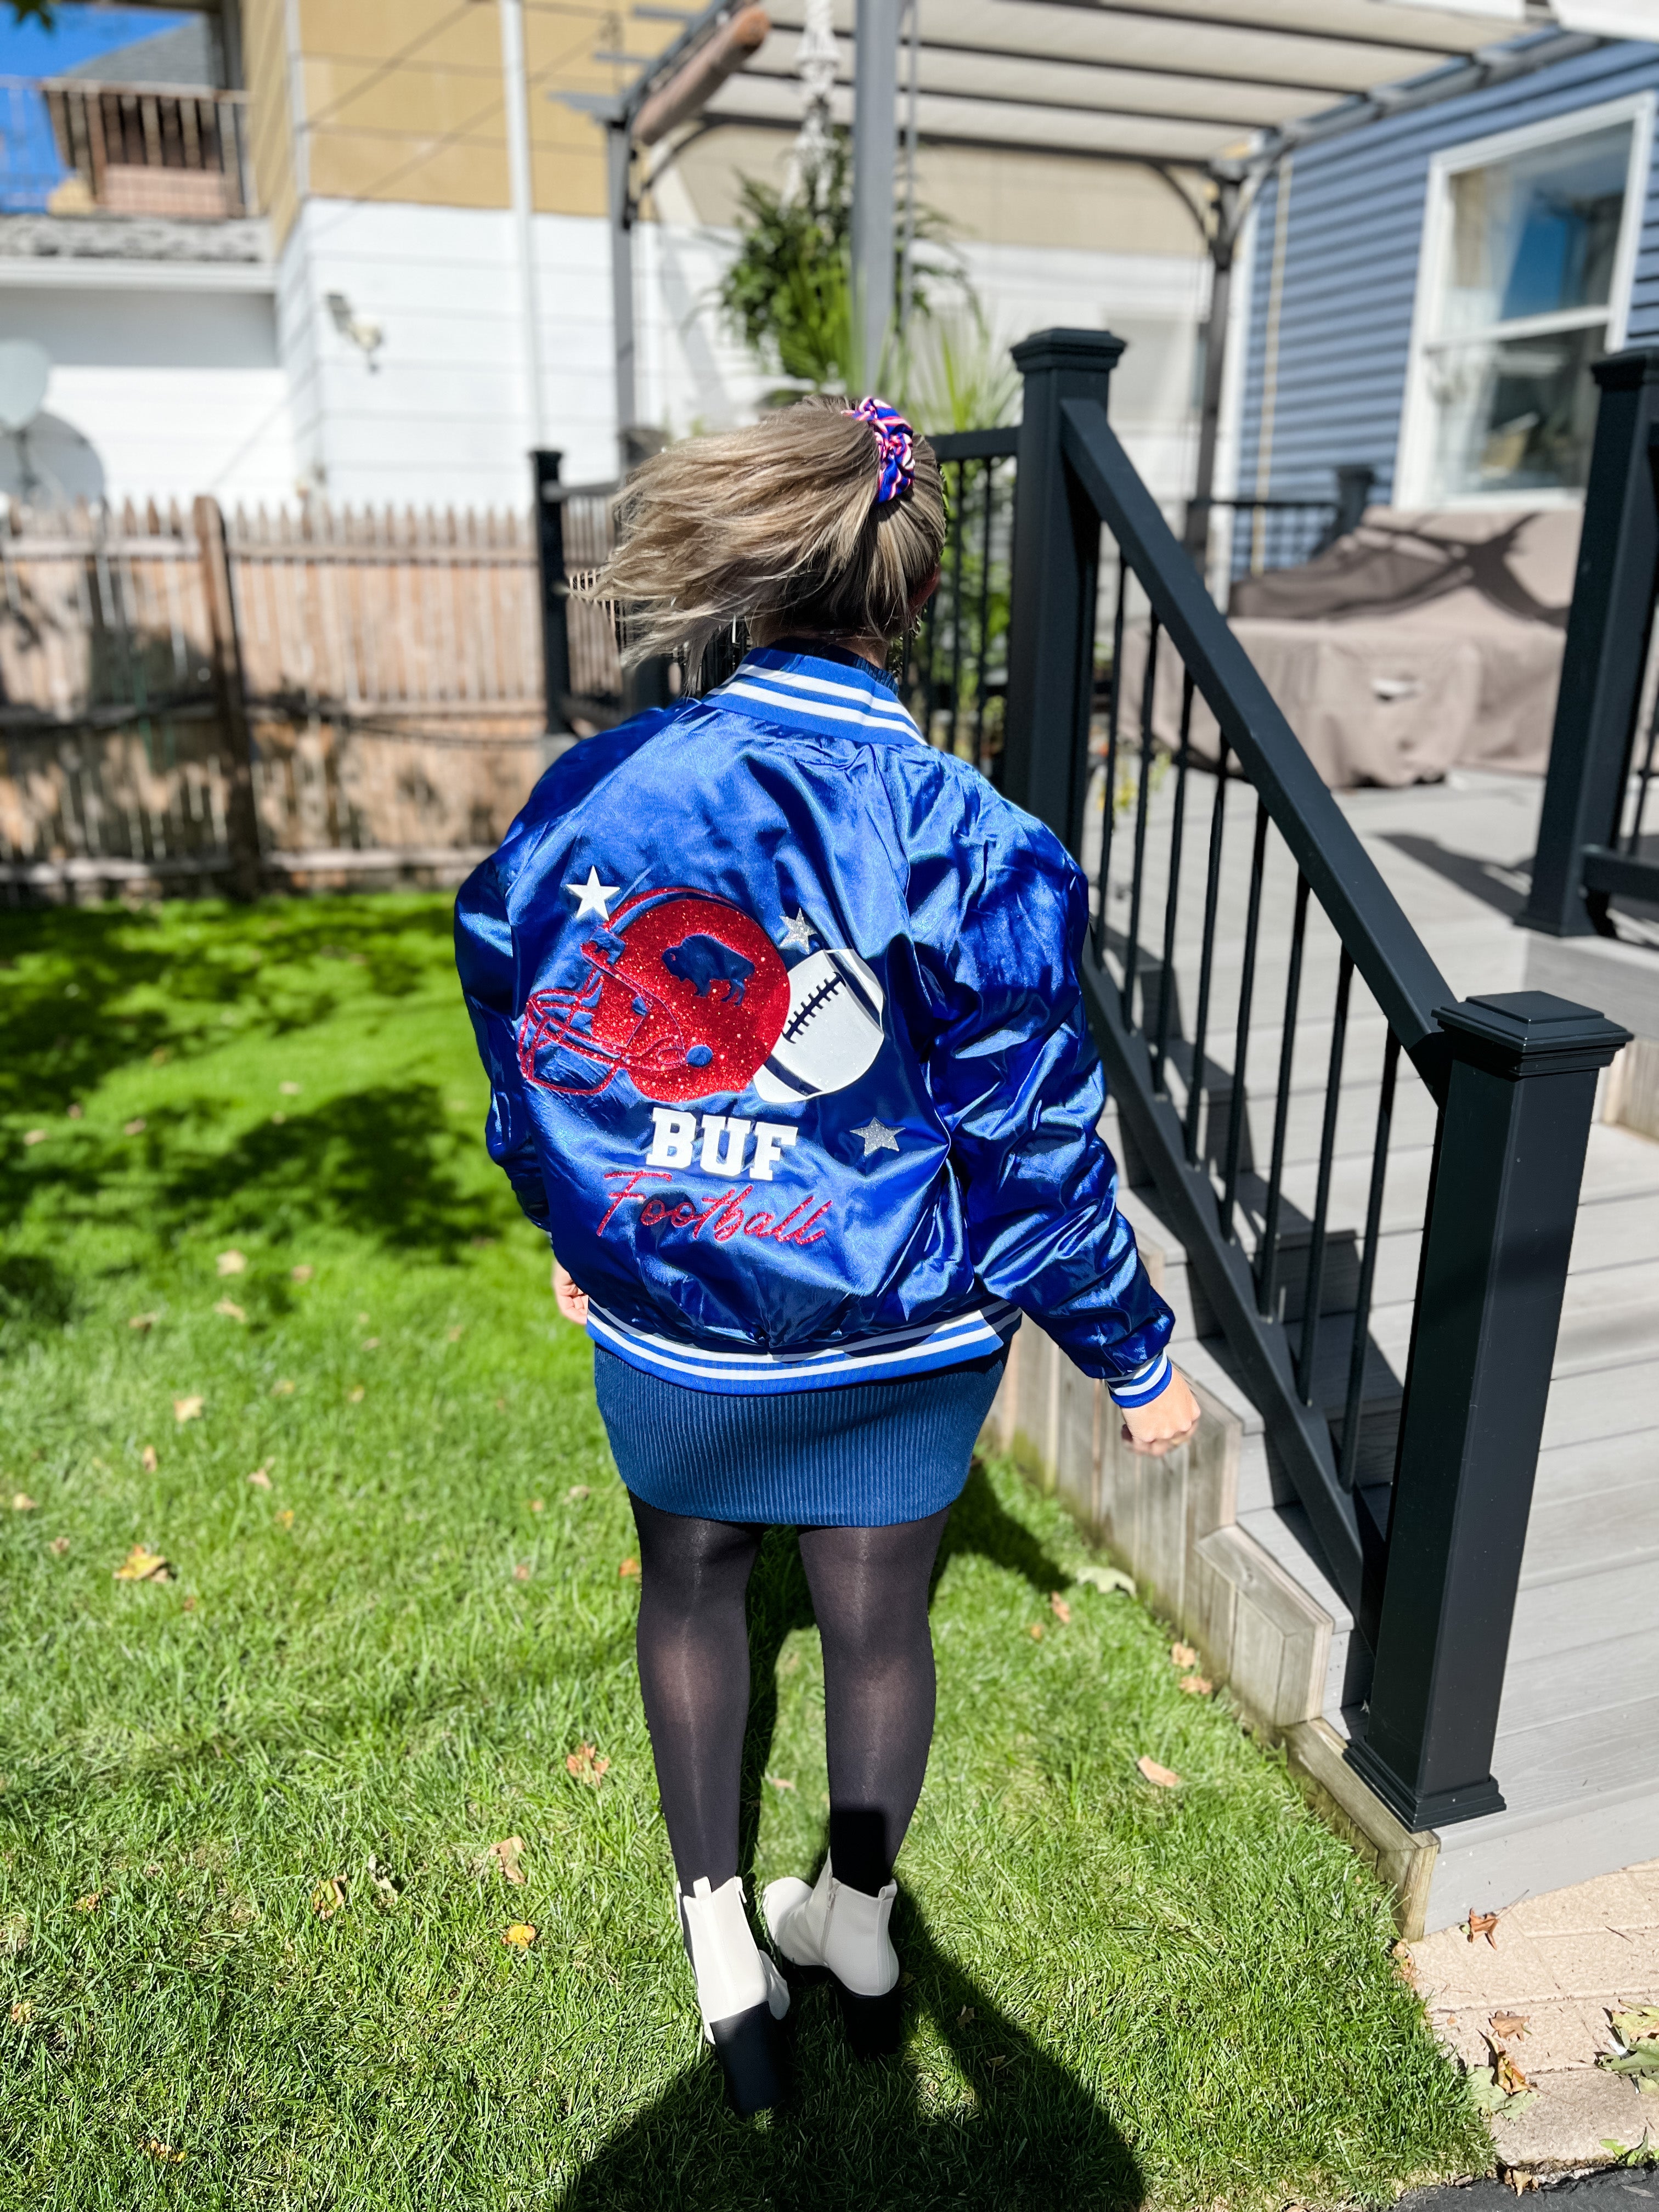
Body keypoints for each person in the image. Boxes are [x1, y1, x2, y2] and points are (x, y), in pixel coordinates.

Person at [454, 394, 1199, 2118]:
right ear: (912, 603)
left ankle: (726, 1938)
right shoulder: (976, 841)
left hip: (679, 1320)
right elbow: (1029, 1157)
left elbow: (526, 1011)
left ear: (748, 582)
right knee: (877, 1629)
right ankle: (852, 1921)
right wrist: (1136, 1358)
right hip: (906, 1334)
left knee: (690, 1589)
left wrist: (577, 1209)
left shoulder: (599, 793)